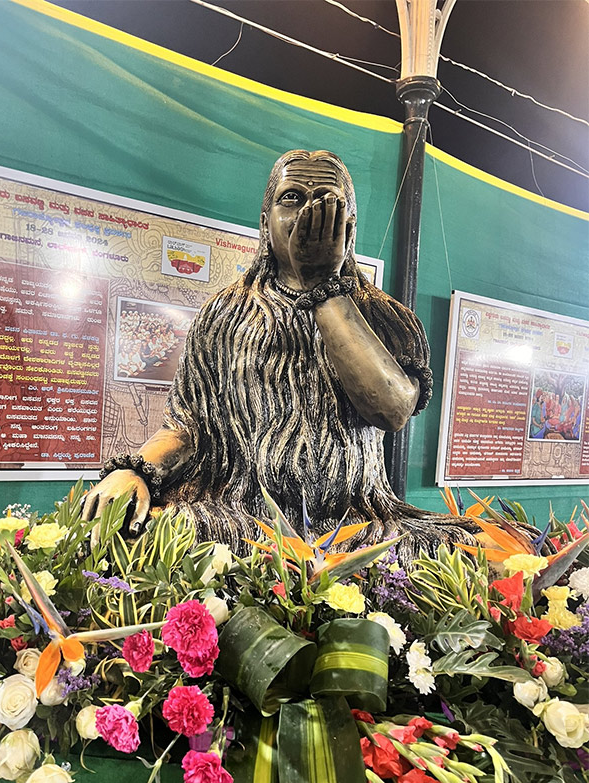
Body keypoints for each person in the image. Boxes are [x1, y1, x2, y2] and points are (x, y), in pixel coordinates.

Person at [83, 150, 474, 562]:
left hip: (355, 522)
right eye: (292, 198)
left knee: (488, 544)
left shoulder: (381, 314)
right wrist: (136, 470)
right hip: (237, 515)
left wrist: (324, 286)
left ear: (349, 227)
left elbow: (391, 410)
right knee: (131, 530)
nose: (309, 213)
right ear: (264, 222)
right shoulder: (224, 315)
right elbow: (186, 427)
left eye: (327, 202)